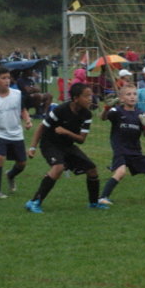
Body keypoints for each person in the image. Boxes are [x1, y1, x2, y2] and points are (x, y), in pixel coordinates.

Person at [25, 83, 103, 213]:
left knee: (92, 170)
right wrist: (33, 147)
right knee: (58, 167)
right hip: (50, 144)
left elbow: (81, 139)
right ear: (75, 98)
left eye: (91, 96)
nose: (90, 99)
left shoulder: (87, 115)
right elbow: (41, 127)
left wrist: (66, 132)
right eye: (86, 96)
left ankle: (94, 203)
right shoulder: (60, 110)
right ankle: (34, 202)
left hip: (67, 145)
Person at [97, 85, 145, 206]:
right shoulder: (116, 110)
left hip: (135, 151)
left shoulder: (140, 114)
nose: (132, 97)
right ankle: (102, 197)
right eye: (128, 94)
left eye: (134, 94)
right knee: (120, 173)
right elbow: (102, 118)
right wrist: (106, 108)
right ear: (121, 98)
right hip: (120, 150)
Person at [0, 66, 33, 198]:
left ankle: (10, 175)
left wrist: (27, 120)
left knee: (22, 163)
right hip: (0, 133)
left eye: (8, 78)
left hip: (16, 133)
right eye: (3, 78)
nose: (7, 80)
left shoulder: (17, 94)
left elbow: (23, 109)